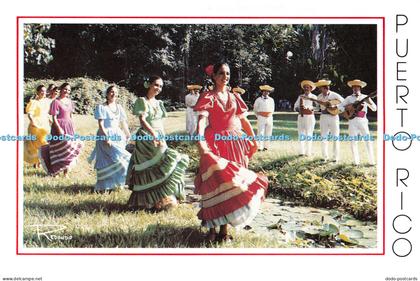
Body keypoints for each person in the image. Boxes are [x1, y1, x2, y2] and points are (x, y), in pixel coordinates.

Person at [194, 62, 268, 242]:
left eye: (227, 74)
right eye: (221, 73)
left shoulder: (234, 97)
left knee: (232, 184)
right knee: (215, 184)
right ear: (213, 76)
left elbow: (244, 121)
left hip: (235, 143)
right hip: (215, 142)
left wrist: (253, 139)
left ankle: (224, 231)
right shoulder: (208, 96)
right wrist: (200, 138)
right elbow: (202, 121)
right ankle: (211, 230)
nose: (225, 77)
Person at [126, 75, 189, 210]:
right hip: (147, 137)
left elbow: (160, 121)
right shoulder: (142, 101)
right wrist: (153, 133)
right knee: (152, 167)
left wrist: (160, 134)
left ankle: (162, 197)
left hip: (159, 136)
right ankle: (147, 201)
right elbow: (142, 120)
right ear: (148, 84)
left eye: (160, 86)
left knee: (163, 164)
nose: (158, 88)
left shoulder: (159, 103)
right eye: (156, 85)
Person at [88, 85, 131, 192]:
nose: (114, 94)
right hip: (105, 135)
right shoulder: (102, 107)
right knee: (107, 160)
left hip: (117, 135)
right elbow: (101, 124)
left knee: (119, 159)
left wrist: (127, 133)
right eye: (111, 92)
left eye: (116, 92)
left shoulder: (119, 107)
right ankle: (104, 186)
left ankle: (118, 183)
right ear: (107, 94)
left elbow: (123, 122)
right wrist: (106, 137)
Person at [39, 83, 83, 176]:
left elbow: (71, 115)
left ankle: (66, 173)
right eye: (65, 89)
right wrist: (59, 129)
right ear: (61, 89)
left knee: (68, 148)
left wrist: (73, 127)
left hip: (69, 126)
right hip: (58, 126)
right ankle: (56, 170)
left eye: (69, 90)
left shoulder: (70, 102)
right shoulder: (55, 102)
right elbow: (54, 117)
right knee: (58, 149)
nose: (67, 91)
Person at [339, 79, 377, 165]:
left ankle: (372, 161)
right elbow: (340, 107)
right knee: (353, 141)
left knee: (367, 140)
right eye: (354, 87)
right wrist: (347, 109)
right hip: (352, 121)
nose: (355, 88)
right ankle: (356, 162)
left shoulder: (365, 97)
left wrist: (370, 102)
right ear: (352, 88)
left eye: (357, 87)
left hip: (363, 120)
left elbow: (375, 109)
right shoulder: (349, 98)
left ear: (360, 88)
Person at [315, 79, 344, 162]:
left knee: (335, 137)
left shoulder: (334, 95)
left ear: (326, 88)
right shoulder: (319, 97)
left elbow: (344, 102)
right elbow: (317, 108)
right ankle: (324, 157)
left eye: (321, 88)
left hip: (333, 117)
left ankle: (335, 157)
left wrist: (335, 107)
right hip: (323, 117)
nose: (320, 89)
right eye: (319, 88)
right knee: (323, 137)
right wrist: (311, 109)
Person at [24, 85, 51, 168]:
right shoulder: (33, 102)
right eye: (41, 91)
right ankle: (35, 163)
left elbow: (48, 113)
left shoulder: (47, 101)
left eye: (45, 91)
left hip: (45, 125)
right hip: (35, 126)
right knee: (35, 145)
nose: (43, 93)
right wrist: (33, 122)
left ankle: (40, 162)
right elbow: (30, 114)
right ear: (37, 92)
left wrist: (50, 121)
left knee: (44, 143)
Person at [293, 80, 317, 157]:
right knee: (301, 133)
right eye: (305, 87)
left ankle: (308, 152)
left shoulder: (314, 97)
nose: (306, 88)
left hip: (310, 117)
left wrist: (310, 108)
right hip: (301, 116)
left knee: (309, 133)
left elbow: (318, 107)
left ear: (311, 88)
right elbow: (295, 107)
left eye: (308, 87)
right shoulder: (300, 96)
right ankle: (301, 152)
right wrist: (299, 109)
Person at [253, 85, 275, 151]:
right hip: (261, 117)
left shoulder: (271, 100)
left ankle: (266, 146)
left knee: (268, 131)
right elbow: (255, 109)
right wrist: (258, 116)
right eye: (264, 91)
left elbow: (272, 108)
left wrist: (270, 115)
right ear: (262, 92)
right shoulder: (258, 100)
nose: (266, 93)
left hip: (269, 117)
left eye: (267, 91)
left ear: (269, 92)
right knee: (261, 131)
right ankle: (260, 147)